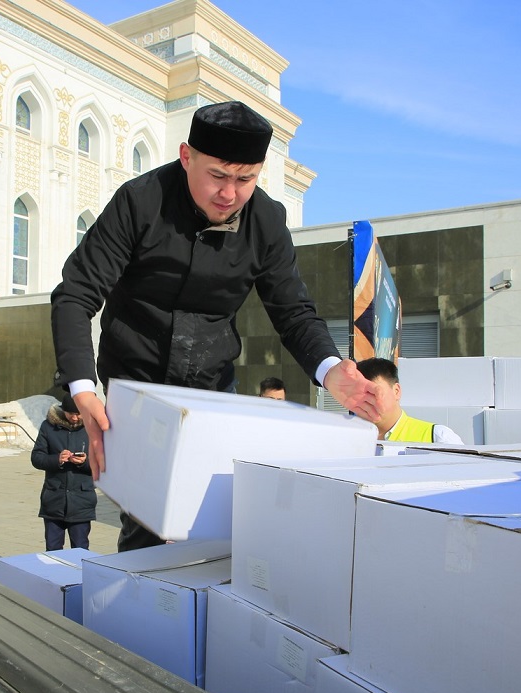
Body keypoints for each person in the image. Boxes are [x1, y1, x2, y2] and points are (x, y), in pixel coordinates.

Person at [51, 100, 386, 551]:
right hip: (138, 381)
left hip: (211, 381)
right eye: (218, 176)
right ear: (186, 157)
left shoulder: (266, 220)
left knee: (218, 511)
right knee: (147, 516)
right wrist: (82, 388)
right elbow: (76, 293)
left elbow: (293, 311)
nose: (229, 194)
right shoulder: (140, 201)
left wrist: (330, 370)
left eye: (245, 179)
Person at [31, 393, 96, 550]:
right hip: (54, 500)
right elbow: (36, 458)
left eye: (78, 414)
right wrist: (57, 459)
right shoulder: (48, 426)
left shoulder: (94, 428)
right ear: (63, 410)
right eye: (70, 413)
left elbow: (105, 463)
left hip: (81, 501)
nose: (74, 418)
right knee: (53, 551)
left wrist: (85, 463)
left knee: (80, 551)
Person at [355, 358, 464, 444]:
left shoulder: (438, 438)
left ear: (396, 391)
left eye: (374, 393)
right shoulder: (349, 440)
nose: (367, 401)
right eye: (359, 395)